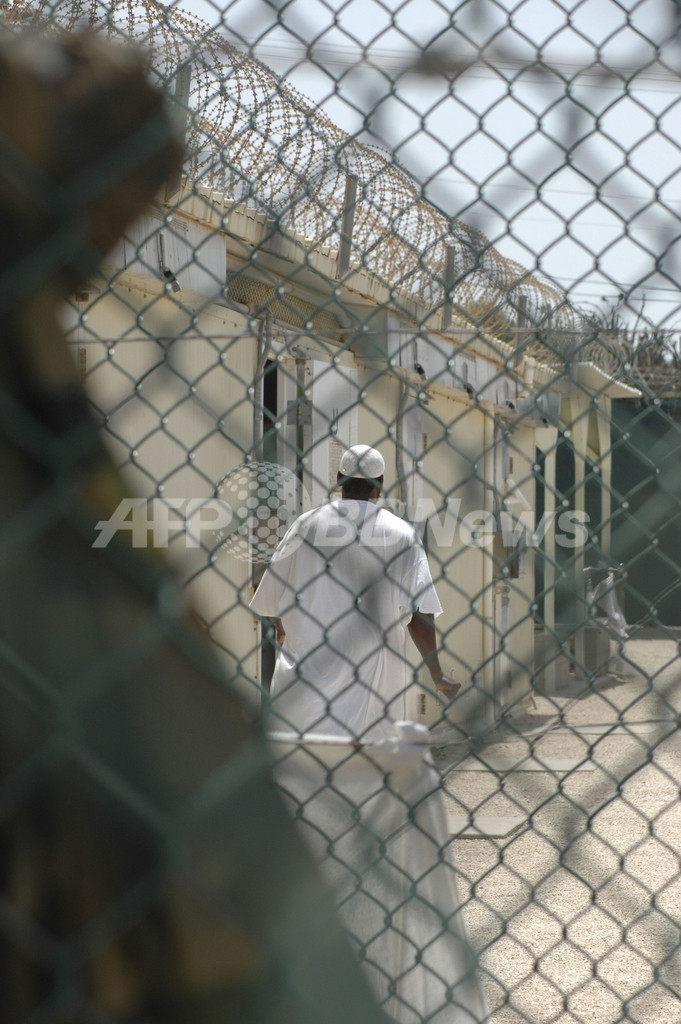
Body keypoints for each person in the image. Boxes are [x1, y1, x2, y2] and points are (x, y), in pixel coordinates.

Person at [250, 444, 460, 740]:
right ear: (380, 484)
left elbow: (271, 599)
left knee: (300, 765)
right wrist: (437, 675)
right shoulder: (402, 534)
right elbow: (420, 613)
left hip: (304, 691)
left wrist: (284, 630)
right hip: (374, 692)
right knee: (371, 765)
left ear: (338, 479)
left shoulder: (304, 526)